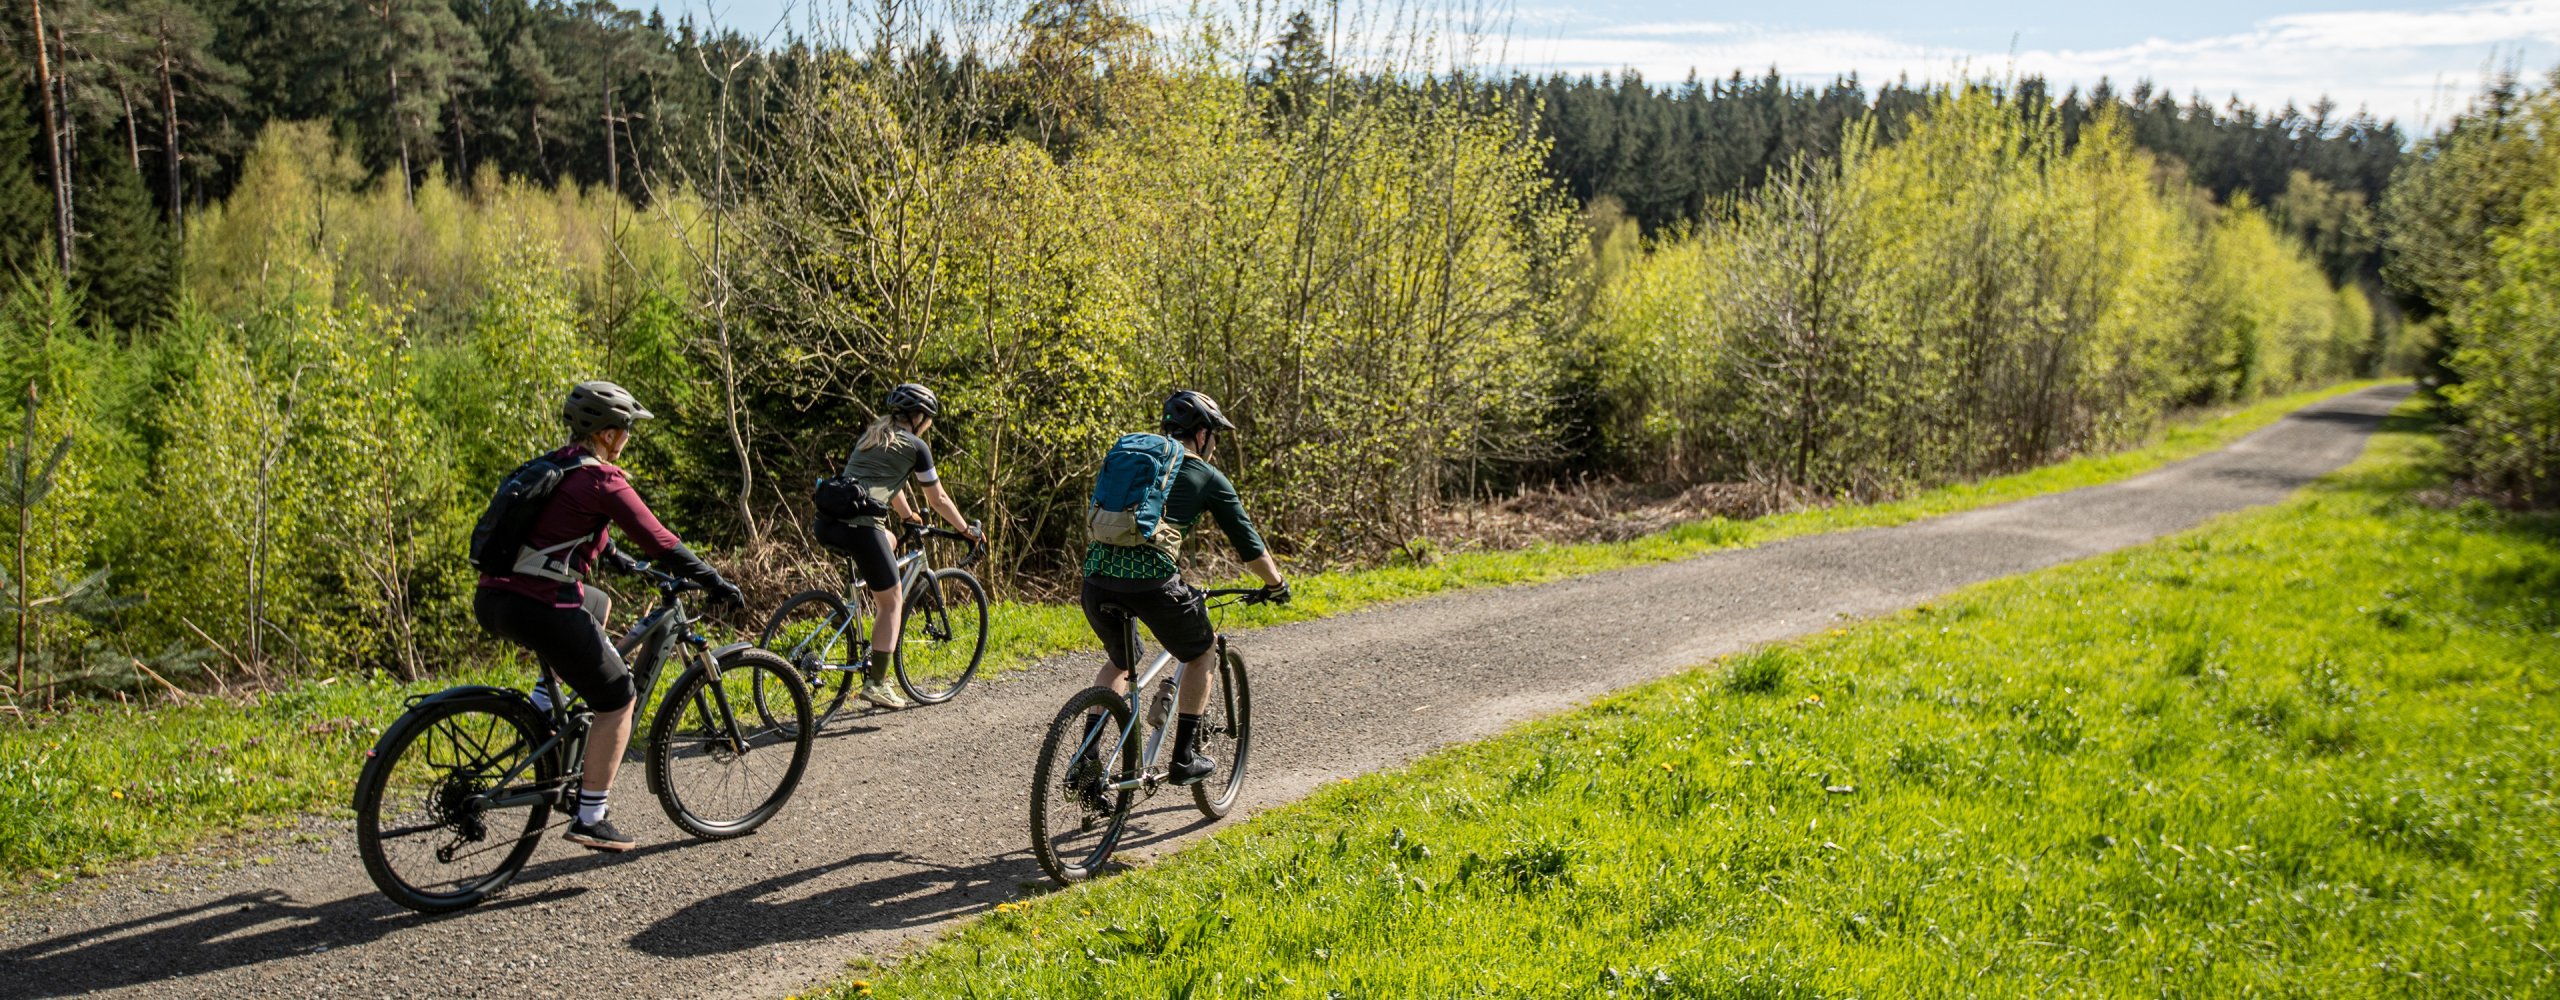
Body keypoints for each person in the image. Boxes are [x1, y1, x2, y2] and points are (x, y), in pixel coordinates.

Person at [475, 381, 743, 852]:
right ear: (607, 432)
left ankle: (542, 710)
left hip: (497, 598)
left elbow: (563, 526)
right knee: (619, 697)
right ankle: (591, 814)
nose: (628, 436)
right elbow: (660, 540)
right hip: (541, 606)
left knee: (598, 603)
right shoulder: (603, 479)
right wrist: (714, 580)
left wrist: (616, 558)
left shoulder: (558, 463)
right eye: (626, 428)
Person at [1080, 389, 1289, 786]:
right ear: (1202, 433)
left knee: (1123, 661)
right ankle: (1183, 758)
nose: (1216, 445)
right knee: (1202, 650)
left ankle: (1085, 761)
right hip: (1151, 583)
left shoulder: (1135, 459)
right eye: (1216, 436)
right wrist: (1276, 584)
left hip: (1095, 580)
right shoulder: (1205, 475)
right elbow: (1250, 547)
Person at [822, 382, 985, 709]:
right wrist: (966, 530)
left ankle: (848, 604)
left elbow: (886, 482)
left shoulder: (873, 435)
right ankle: (878, 684)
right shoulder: (915, 446)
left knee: (891, 539)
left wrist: (907, 514)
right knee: (892, 601)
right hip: (862, 527)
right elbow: (937, 498)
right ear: (920, 417)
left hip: (828, 522)